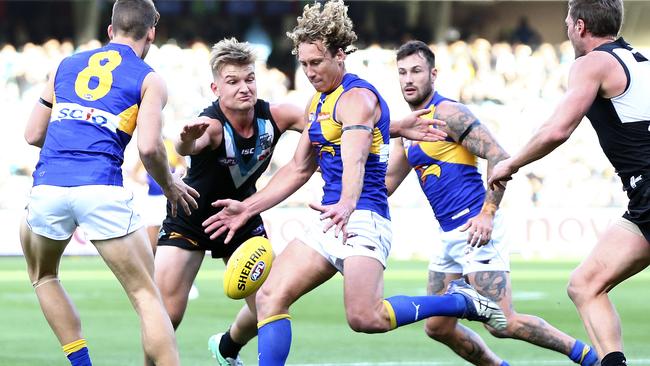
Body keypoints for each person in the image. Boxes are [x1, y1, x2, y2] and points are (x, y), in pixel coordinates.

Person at [202, 2, 507, 365]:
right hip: (331, 218)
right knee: (269, 297)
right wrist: (247, 208)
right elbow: (299, 168)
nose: (309, 71)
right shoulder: (318, 102)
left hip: (363, 216)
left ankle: (462, 301)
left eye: (316, 63)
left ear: (340, 55)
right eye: (303, 63)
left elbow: (356, 157)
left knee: (365, 318)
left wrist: (347, 202)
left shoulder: (357, 98)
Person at [152, 37, 447, 366]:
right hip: (192, 215)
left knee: (265, 302)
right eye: (232, 82)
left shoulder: (279, 115)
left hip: (244, 213)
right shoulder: (210, 125)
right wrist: (183, 141)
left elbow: (336, 129)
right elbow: (190, 144)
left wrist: (392, 127)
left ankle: (228, 347)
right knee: (169, 315)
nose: (244, 88)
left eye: (249, 79)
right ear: (215, 88)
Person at [386, 40, 598, 366]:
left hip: (476, 226)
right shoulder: (408, 128)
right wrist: (349, 198)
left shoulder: (449, 114)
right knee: (438, 327)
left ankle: (587, 355)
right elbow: (388, 182)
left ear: (433, 73)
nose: (408, 79)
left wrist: (488, 213)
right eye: (402, 73)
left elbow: (498, 155)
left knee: (502, 322)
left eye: (416, 70)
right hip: (449, 235)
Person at [20, 0, 199, 365]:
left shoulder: (64, 66)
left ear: (110, 30)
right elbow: (149, 147)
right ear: (151, 32)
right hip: (100, 186)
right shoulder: (149, 78)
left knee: (44, 276)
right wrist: (170, 186)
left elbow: (33, 133)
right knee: (145, 295)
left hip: (49, 185)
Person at [488, 1, 646, 366]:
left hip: (648, 189)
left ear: (579, 26)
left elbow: (557, 129)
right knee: (584, 285)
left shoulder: (593, 63)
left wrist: (511, 163)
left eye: (566, 23)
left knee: (587, 286)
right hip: (643, 201)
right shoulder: (640, 61)